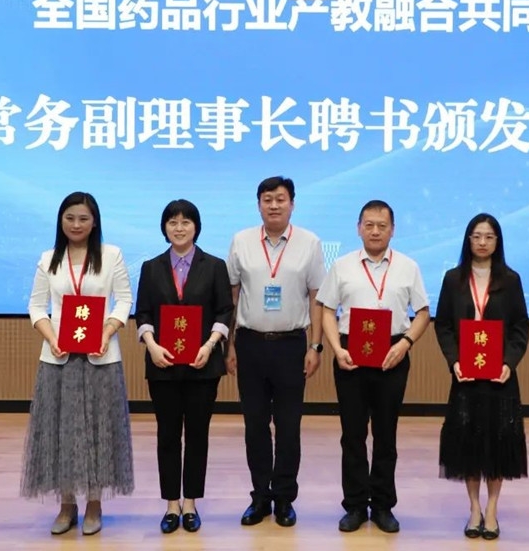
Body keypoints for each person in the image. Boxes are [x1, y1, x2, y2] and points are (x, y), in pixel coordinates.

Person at [21, 191, 135, 536]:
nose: (76, 224)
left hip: (102, 357)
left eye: (83, 218)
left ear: (94, 222)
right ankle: (67, 504)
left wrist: (106, 333)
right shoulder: (48, 259)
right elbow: (36, 306)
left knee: (99, 430)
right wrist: (52, 338)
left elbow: (124, 300)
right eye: (69, 218)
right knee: (62, 431)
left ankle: (95, 504)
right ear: (61, 221)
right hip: (59, 359)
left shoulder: (111, 255)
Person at [316, 200, 430, 534]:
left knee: (385, 434)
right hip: (350, 354)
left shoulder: (408, 266)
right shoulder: (342, 266)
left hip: (392, 353)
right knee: (352, 435)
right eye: (369, 225)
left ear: (392, 229)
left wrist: (405, 343)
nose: (375, 231)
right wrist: (336, 348)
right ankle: (354, 505)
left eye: (382, 225)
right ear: (358, 228)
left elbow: (422, 312)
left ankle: (382, 505)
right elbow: (327, 309)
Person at [225, 176, 326, 527]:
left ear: (292, 204)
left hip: (291, 345)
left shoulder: (310, 243)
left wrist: (315, 345)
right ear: (258, 205)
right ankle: (260, 497)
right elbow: (232, 295)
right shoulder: (241, 241)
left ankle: (284, 497)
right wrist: (229, 344)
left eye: (280, 199)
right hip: (250, 343)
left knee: (288, 425)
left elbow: (316, 297)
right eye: (267, 199)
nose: (274, 205)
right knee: (254, 424)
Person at [134, 199, 234, 534]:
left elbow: (224, 311)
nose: (179, 228)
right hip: (162, 364)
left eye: (186, 222)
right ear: (164, 228)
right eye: (173, 222)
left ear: (196, 227)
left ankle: (190, 503)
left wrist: (209, 345)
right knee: (167, 435)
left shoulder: (215, 266)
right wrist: (152, 345)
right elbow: (143, 313)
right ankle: (170, 505)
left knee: (197, 435)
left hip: (202, 365)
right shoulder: (151, 267)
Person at [434, 213, 529, 541]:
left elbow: (520, 327)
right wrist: (453, 361)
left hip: (500, 376)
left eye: (489, 236)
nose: (483, 242)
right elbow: (443, 325)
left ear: (497, 241)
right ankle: (474, 508)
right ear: (468, 240)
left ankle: (492, 510)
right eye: (477, 236)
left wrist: (509, 363)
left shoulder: (511, 280)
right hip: (466, 375)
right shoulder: (453, 279)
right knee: (469, 442)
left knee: (498, 442)